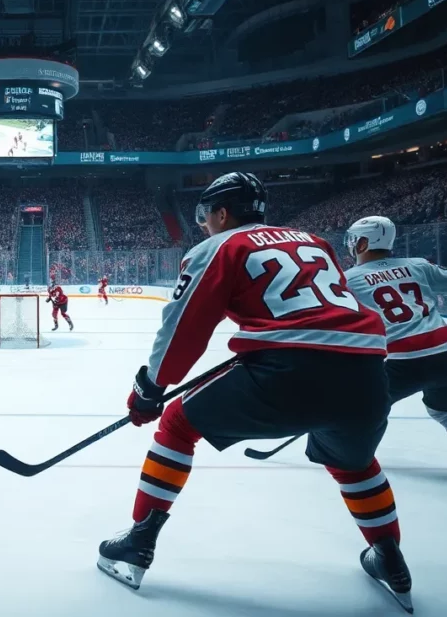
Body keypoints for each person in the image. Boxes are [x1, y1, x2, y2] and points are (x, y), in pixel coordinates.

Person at [96, 172, 413, 613]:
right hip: (367, 373)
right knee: (355, 463)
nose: (204, 226)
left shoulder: (220, 245)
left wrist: (150, 389)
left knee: (176, 424)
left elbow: (185, 324)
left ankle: (137, 542)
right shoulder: (313, 240)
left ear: (222, 213)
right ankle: (390, 558)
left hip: (289, 372)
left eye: (206, 217)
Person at [344, 215, 447, 484]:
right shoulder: (418, 266)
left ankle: (357, 458)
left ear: (362, 242)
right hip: (446, 360)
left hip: (401, 364)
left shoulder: (348, 279)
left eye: (353, 240)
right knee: (444, 411)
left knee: (365, 409)